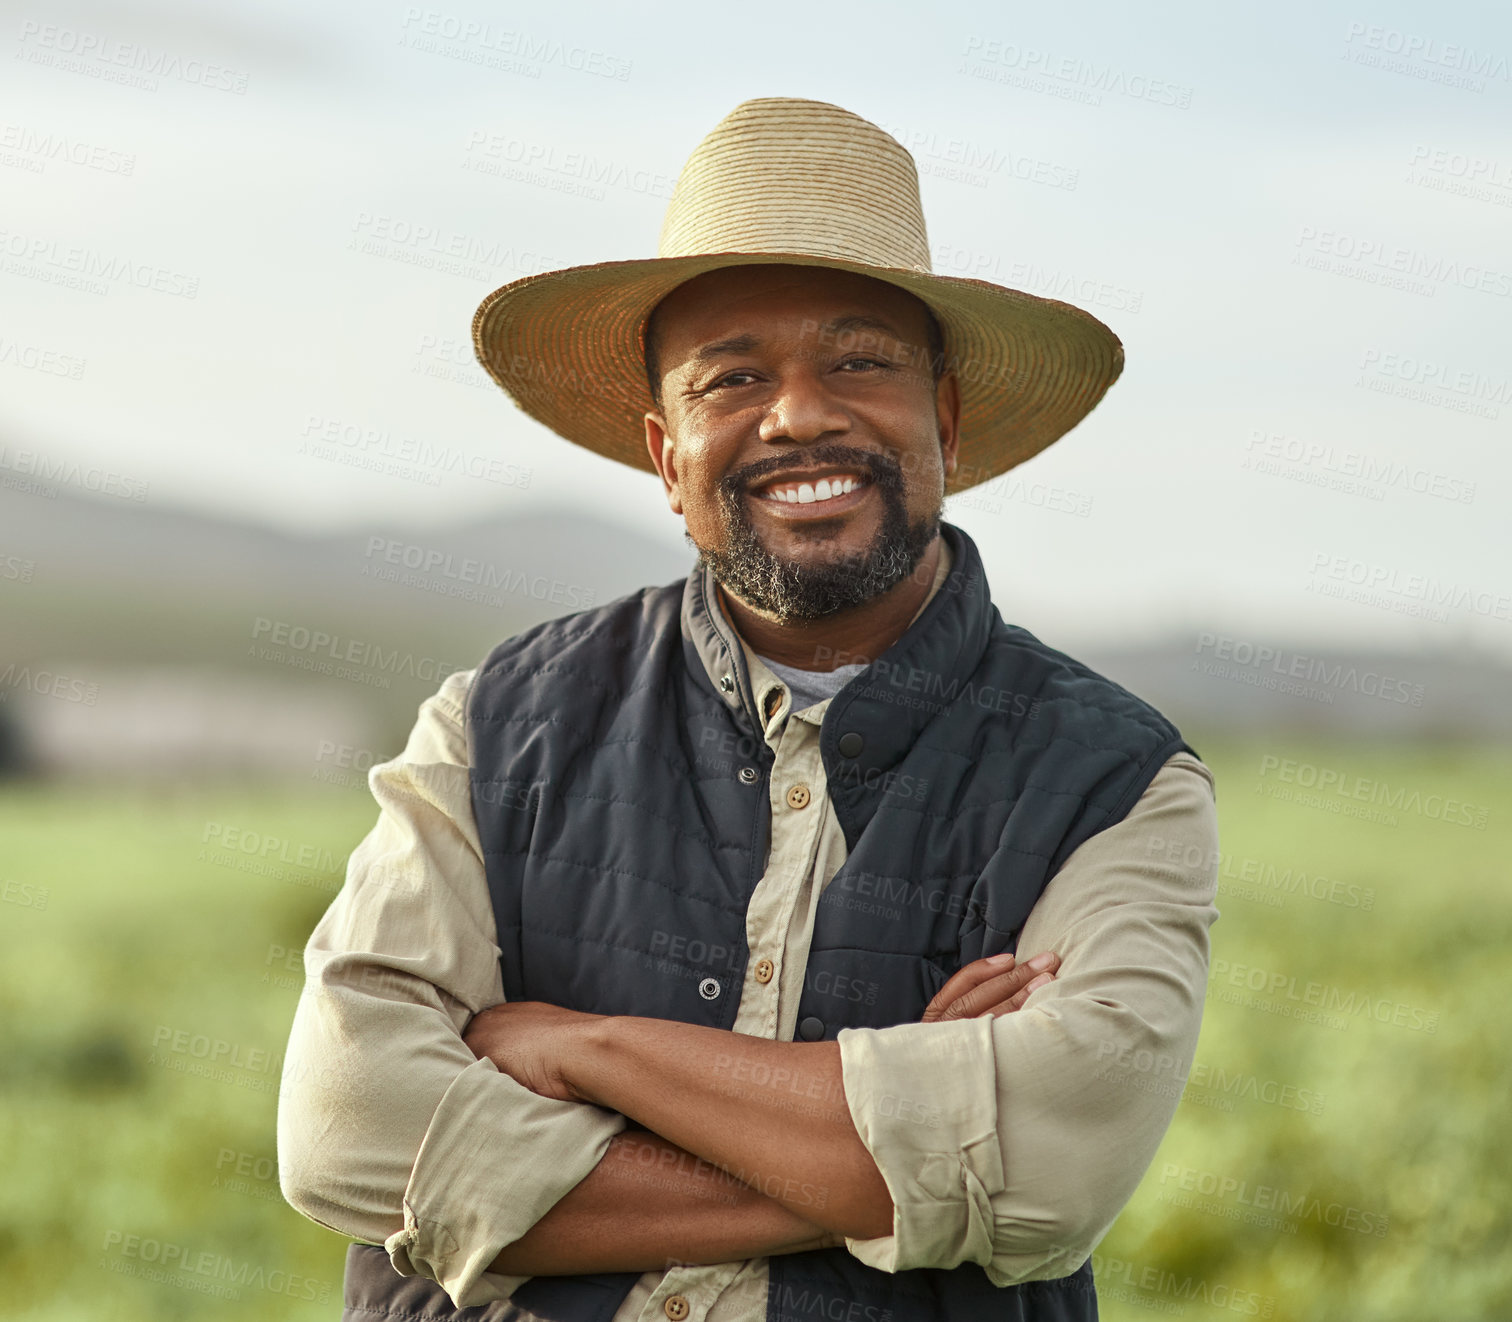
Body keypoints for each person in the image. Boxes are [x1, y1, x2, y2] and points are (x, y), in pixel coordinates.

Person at [277, 97, 1220, 1322]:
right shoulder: (494, 727)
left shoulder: (1116, 779)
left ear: (943, 420)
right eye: (736, 378)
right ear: (669, 459)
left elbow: (1050, 1174)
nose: (799, 415)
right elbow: (346, 1132)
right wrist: (899, 1154)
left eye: (858, 362)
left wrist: (583, 1051)